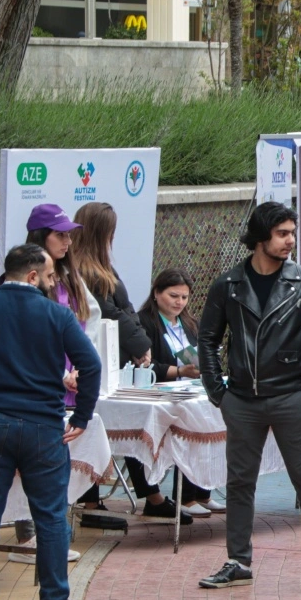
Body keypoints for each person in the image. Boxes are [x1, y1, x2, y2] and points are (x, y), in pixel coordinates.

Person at [197, 201, 301, 593]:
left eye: (292, 233)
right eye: (282, 234)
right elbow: (207, 339)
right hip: (242, 400)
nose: (290, 241)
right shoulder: (228, 285)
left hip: (292, 396)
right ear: (261, 237)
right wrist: (218, 392)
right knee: (239, 483)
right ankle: (237, 561)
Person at [0, 244, 102, 600]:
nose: (52, 281)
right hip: (44, 426)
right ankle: (54, 598)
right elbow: (90, 366)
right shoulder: (57, 315)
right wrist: (82, 416)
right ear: (32, 276)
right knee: (50, 515)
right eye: (48, 276)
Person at [72, 203, 189, 524]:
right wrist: (141, 346)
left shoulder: (92, 268)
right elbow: (114, 312)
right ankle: (93, 502)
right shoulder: (90, 271)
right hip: (96, 360)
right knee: (97, 425)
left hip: (105, 358)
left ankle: (136, 496)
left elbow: (121, 311)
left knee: (112, 425)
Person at [14, 204, 111, 547]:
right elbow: (22, 340)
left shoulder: (73, 279)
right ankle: (27, 534)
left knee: (57, 467)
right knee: (26, 466)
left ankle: (51, 531)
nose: (68, 241)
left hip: (71, 391)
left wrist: (80, 369)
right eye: (60, 234)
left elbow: (91, 327)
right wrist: (58, 372)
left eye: (70, 234)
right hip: (37, 391)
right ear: (41, 237)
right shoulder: (23, 282)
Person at [136, 269, 222, 518]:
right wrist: (179, 370)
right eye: (173, 296)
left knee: (207, 427)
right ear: (156, 293)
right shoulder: (144, 322)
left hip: (189, 390)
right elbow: (145, 365)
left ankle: (201, 492)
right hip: (159, 393)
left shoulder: (189, 322)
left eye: (184, 297)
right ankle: (181, 496)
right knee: (186, 434)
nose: (179, 302)